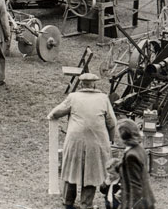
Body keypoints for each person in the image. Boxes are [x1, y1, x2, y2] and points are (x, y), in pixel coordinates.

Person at [48, 73, 117, 209]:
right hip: (96, 142)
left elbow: (56, 112)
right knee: (92, 171)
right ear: (94, 85)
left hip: (75, 140)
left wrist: (52, 116)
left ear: (80, 85)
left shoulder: (73, 97)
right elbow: (112, 122)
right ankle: (86, 204)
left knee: (71, 169)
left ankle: (68, 201)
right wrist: (111, 139)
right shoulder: (103, 98)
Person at [117, 118, 155, 209]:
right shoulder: (139, 149)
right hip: (146, 199)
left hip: (137, 203)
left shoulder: (131, 156)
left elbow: (135, 186)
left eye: (117, 134)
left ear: (124, 136)